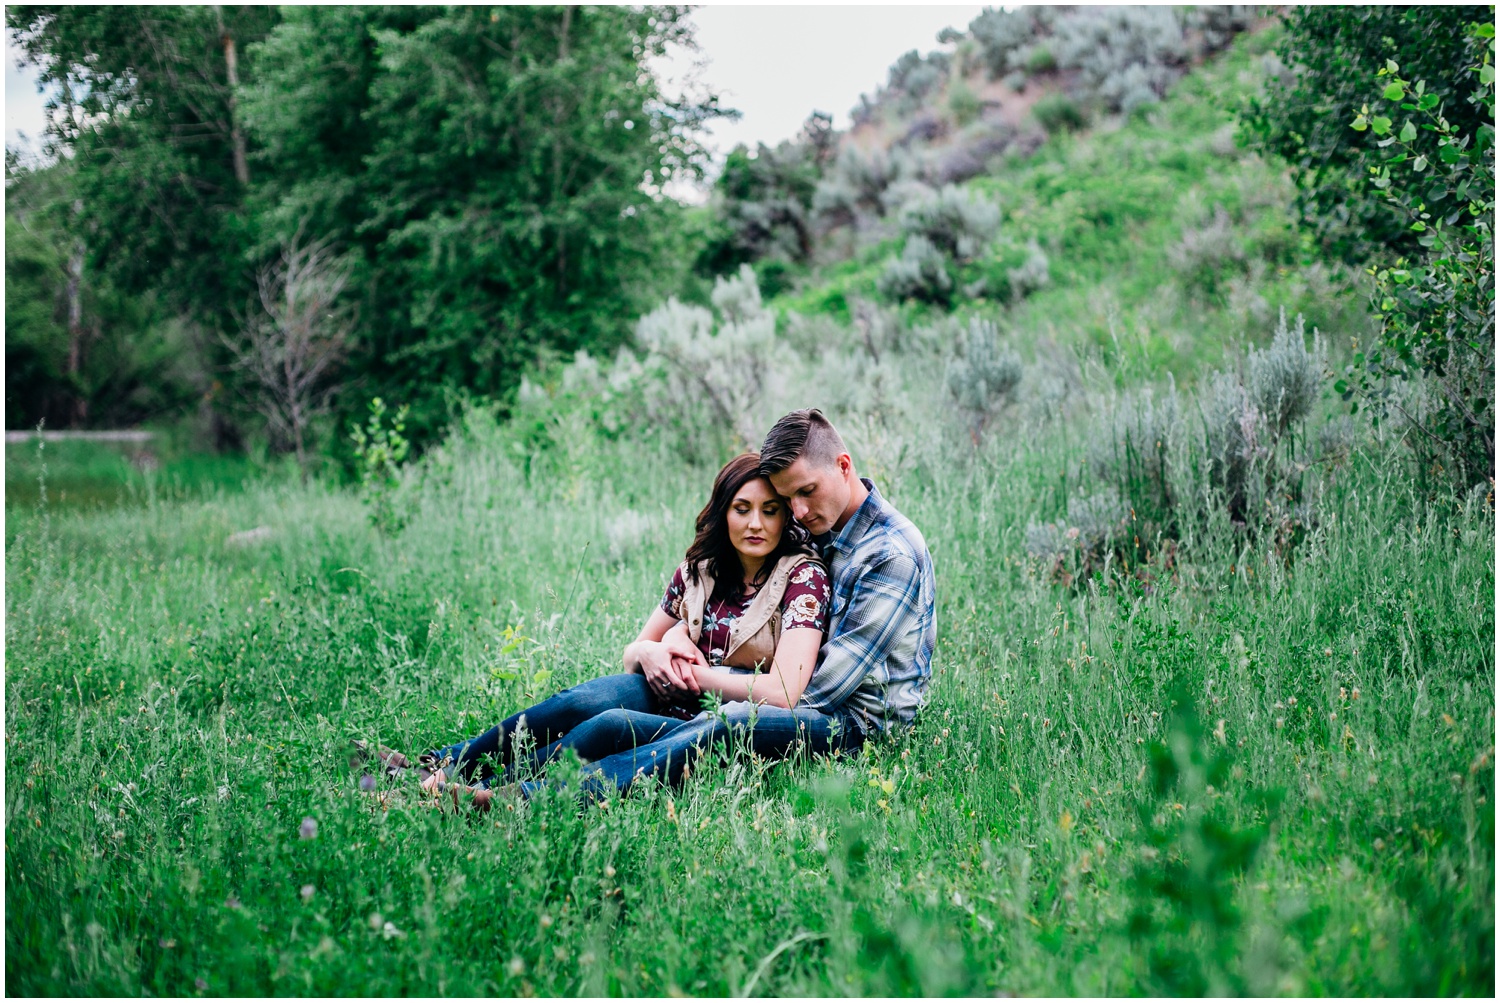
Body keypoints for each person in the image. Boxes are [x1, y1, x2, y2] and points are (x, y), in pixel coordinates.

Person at [505, 407, 936, 802]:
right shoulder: (821, 525)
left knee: (723, 726)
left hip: (856, 726)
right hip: (772, 691)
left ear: (844, 467)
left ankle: (528, 800)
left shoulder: (889, 555)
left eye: (806, 492)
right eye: (789, 501)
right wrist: (671, 640)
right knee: (609, 708)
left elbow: (816, 695)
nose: (799, 512)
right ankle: (457, 767)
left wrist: (696, 681)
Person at [368, 451, 834, 808]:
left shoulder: (801, 578)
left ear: (785, 516)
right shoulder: (701, 569)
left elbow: (785, 692)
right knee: (580, 701)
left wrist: (696, 675)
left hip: (721, 712)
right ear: (722, 512)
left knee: (606, 724)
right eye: (742, 508)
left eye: (770, 510)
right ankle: (439, 766)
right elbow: (634, 652)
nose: (755, 523)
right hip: (670, 692)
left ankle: (489, 794)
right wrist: (652, 654)